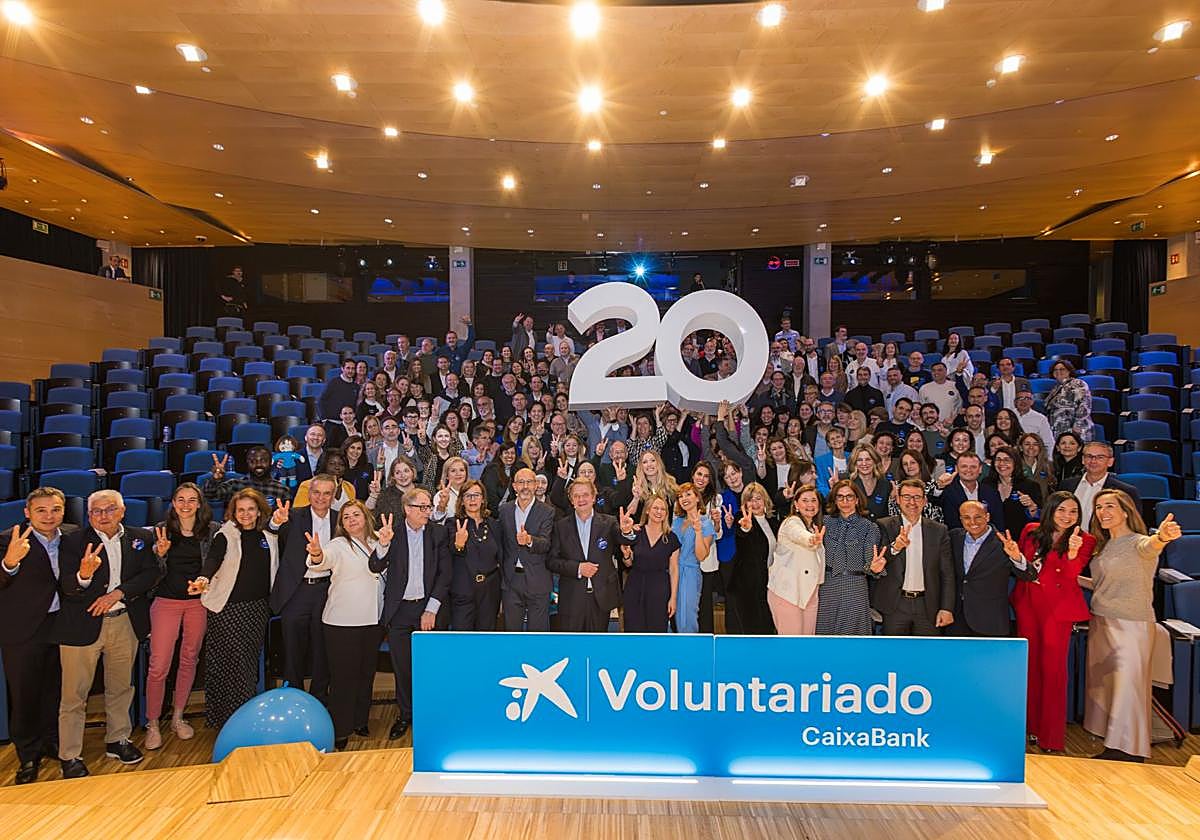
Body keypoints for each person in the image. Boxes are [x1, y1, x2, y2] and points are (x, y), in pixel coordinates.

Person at [56, 490, 159, 777]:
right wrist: (84, 576)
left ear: (122, 510)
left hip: (124, 621)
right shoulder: (73, 542)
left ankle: (118, 740)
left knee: (121, 687)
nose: (104, 516)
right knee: (74, 694)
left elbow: (151, 574)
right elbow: (66, 585)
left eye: (110, 509)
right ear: (88, 516)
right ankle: (70, 755)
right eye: (97, 511)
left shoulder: (141, 537)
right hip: (81, 625)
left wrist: (119, 593)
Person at [1084, 490, 1181, 761]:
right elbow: (1103, 586)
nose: (1103, 512)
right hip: (1102, 621)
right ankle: (1114, 744)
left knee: (1129, 689)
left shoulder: (1140, 543)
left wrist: (1162, 537)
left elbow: (1152, 545)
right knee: (1112, 689)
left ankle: (1130, 750)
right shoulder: (1102, 547)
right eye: (1099, 507)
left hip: (1131, 625)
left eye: (1110, 506)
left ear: (1126, 511)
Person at [1009, 492, 1094, 752]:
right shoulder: (1032, 530)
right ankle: (1030, 728)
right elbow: (1022, 567)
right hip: (1028, 603)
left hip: (1057, 609)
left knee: (1054, 672)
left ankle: (1051, 737)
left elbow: (1071, 575)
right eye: (1062, 511)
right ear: (1050, 511)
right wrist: (1014, 556)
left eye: (1073, 512)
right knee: (1030, 667)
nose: (1067, 517)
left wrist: (1072, 553)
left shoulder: (1085, 540)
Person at [0, 488, 74, 784]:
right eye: (41, 510)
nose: (49, 516)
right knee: (25, 694)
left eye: (55, 509)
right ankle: (28, 755)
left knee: (55, 690)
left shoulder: (72, 537)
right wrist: (9, 563)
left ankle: (51, 741)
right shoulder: (8, 540)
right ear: (27, 513)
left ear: (63, 511)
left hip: (61, 625)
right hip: (22, 630)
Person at [304, 501, 391, 749]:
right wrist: (316, 553)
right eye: (346, 517)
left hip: (373, 619)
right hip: (343, 622)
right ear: (341, 524)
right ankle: (340, 729)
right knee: (343, 678)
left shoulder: (379, 541)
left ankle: (359, 721)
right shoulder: (338, 545)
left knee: (366, 674)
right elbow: (321, 561)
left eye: (356, 514)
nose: (351, 519)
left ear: (366, 517)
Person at [189, 488, 279, 729]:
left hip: (257, 609)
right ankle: (230, 721)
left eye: (251, 509)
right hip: (228, 611)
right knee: (231, 665)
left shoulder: (268, 536)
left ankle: (240, 719)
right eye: (241, 510)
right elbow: (212, 561)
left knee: (247, 664)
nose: (246, 514)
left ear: (259, 511)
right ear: (233, 512)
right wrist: (203, 579)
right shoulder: (225, 534)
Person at [370, 486, 451, 741]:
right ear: (408, 509)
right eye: (423, 507)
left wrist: (431, 609)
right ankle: (405, 714)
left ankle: (431, 715)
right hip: (400, 611)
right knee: (402, 668)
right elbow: (375, 565)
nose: (428, 511)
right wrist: (382, 545)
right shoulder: (392, 534)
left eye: (429, 507)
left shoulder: (438, 533)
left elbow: (444, 575)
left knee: (431, 667)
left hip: (429, 610)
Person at [144, 483, 217, 752]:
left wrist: (205, 583)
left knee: (189, 659)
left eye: (192, 500)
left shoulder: (211, 530)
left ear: (199, 504)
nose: (186, 504)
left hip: (197, 604)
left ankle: (178, 716)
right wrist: (158, 555)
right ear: (173, 503)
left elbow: (216, 564)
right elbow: (149, 572)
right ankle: (152, 722)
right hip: (166, 603)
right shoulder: (160, 531)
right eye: (180, 499)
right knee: (159, 665)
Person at [268, 474, 338, 702]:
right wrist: (276, 521)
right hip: (296, 591)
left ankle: (320, 697)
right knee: (293, 649)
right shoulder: (293, 517)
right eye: (316, 492)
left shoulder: (340, 520)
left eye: (327, 493)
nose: (321, 497)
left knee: (323, 648)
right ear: (309, 494)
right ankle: (293, 698)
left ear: (333, 495)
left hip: (328, 591)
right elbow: (272, 531)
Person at [548, 479, 632, 632]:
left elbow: (624, 540)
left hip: (601, 599)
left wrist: (627, 531)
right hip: (572, 600)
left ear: (594, 497)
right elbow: (552, 561)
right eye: (576, 496)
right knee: (573, 649)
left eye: (585, 495)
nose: (581, 499)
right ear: (571, 500)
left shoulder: (609, 523)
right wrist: (578, 568)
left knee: (597, 649)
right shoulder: (560, 526)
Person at [873, 480, 954, 636]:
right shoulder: (884, 525)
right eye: (906, 497)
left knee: (927, 655)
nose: (912, 502)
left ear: (925, 500)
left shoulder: (939, 531)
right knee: (894, 654)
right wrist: (895, 547)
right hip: (895, 605)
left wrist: (946, 608)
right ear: (898, 499)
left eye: (917, 497)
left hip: (928, 604)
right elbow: (877, 563)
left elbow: (947, 573)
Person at [948, 501, 1038, 637]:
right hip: (957, 620)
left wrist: (1017, 557)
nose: (972, 522)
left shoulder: (1003, 543)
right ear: (960, 519)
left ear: (987, 517)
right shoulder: (954, 537)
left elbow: (1029, 575)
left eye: (978, 516)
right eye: (966, 517)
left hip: (990, 621)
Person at [816, 480, 886, 635]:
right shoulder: (824, 522)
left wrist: (874, 568)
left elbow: (870, 561)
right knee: (824, 637)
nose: (845, 501)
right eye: (840, 497)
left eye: (849, 497)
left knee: (852, 640)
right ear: (834, 500)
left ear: (857, 499)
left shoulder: (869, 527)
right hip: (827, 586)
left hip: (855, 588)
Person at [498, 468, 556, 631]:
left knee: (538, 635)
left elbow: (546, 544)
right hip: (511, 581)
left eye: (529, 482)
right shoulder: (504, 510)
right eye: (521, 482)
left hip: (538, 580)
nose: (525, 486)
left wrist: (530, 540)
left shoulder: (547, 511)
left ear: (536, 485)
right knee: (512, 633)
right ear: (514, 486)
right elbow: (501, 544)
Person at [448, 480, 502, 631]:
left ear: (483, 499)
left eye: (476, 495)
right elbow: (452, 552)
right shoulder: (453, 524)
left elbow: (500, 558)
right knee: (463, 642)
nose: (472, 500)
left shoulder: (494, 525)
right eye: (468, 496)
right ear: (462, 501)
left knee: (487, 641)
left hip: (490, 592)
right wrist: (459, 544)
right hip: (463, 591)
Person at [621, 495, 680, 633]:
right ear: (647, 510)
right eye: (655, 508)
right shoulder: (635, 532)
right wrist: (626, 555)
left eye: (663, 509)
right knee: (633, 630)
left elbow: (674, 569)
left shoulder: (671, 538)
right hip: (635, 587)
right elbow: (628, 563)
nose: (659, 512)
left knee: (657, 630)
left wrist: (673, 598)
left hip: (659, 589)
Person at [770, 486, 825, 635]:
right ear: (796, 504)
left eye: (813, 500)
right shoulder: (791, 523)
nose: (810, 505)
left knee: (807, 645)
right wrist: (812, 539)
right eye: (805, 500)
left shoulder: (814, 528)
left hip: (810, 594)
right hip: (788, 593)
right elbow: (799, 535)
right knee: (791, 646)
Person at [1059, 441, 1142, 531]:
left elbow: (1134, 525)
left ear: (1110, 462)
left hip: (1105, 543)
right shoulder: (1066, 485)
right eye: (1089, 456)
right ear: (1083, 460)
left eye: (1100, 457)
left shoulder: (1125, 491)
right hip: (1068, 540)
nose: (1093, 461)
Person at [732, 483, 778, 635]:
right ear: (745, 503)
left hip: (769, 583)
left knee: (768, 627)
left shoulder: (773, 522)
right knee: (752, 629)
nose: (755, 503)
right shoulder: (742, 518)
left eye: (758, 498)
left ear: (765, 500)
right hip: (748, 585)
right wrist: (746, 527)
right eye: (750, 500)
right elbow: (742, 533)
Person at [671, 482, 716, 634]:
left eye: (688, 494)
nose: (684, 498)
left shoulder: (706, 523)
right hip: (671, 571)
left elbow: (702, 555)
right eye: (680, 496)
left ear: (697, 498)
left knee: (687, 617)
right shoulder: (676, 522)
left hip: (690, 574)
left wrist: (698, 531)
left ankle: (689, 653)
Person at [938, 452, 1005, 532]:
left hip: (988, 541)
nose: (969, 470)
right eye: (964, 466)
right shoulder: (947, 492)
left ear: (980, 469)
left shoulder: (991, 492)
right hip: (957, 540)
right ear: (956, 469)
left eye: (973, 467)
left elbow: (999, 523)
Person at [204, 447, 290, 507]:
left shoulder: (281, 489)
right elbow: (210, 495)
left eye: (263, 461)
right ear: (247, 463)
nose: (258, 465)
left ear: (271, 462)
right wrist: (215, 478)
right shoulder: (235, 485)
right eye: (253, 461)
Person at [985, 445, 1043, 531]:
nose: (1001, 463)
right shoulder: (986, 484)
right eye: (998, 459)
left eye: (1007, 460)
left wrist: (1031, 506)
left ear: (1015, 463)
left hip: (1020, 537)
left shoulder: (1030, 486)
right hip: (992, 538)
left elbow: (1038, 519)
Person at [1044, 359, 1093, 442]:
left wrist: (1078, 425)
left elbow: (1084, 404)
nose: (1058, 371)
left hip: (1075, 430)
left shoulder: (1077, 383)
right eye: (1055, 370)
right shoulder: (1055, 389)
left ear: (1069, 371)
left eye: (1062, 369)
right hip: (1058, 430)